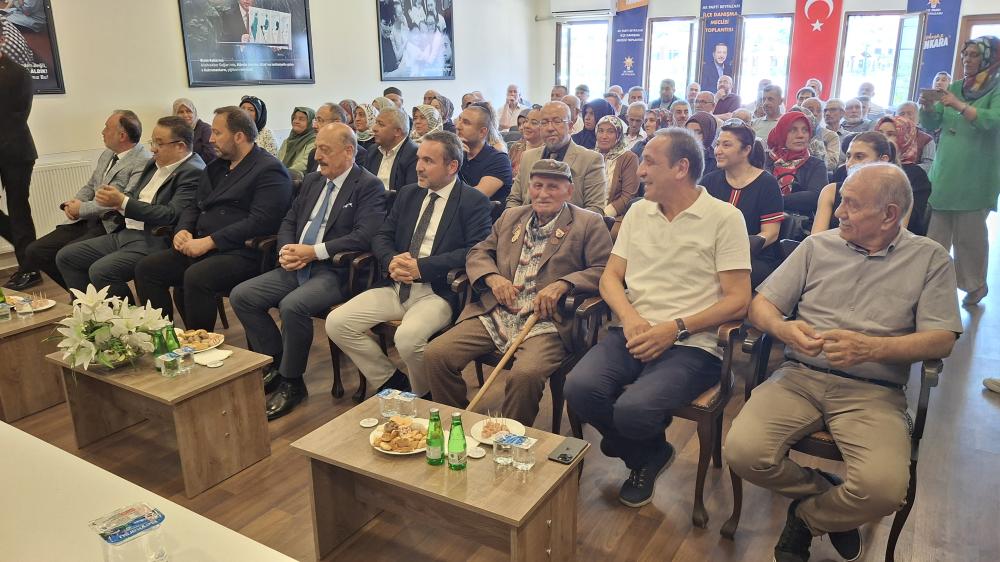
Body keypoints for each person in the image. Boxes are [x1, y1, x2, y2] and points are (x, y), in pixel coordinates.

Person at [725, 163, 961, 562]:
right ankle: (828, 495)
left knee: (884, 490)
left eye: (851, 204)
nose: (839, 212)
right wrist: (783, 329)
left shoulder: (929, 258)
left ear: (889, 214)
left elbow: (942, 339)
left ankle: (807, 518)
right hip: (799, 377)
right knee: (743, 452)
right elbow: (761, 305)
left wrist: (871, 349)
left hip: (873, 391)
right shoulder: (818, 247)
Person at [565, 128, 751, 508]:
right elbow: (610, 277)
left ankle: (634, 445)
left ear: (681, 168)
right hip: (633, 329)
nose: (640, 171)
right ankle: (647, 453)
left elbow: (738, 300)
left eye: (649, 162)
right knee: (579, 387)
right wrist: (630, 316)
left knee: (633, 409)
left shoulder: (724, 217)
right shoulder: (638, 211)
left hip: (693, 342)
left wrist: (675, 328)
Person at [424, 159, 611, 425]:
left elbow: (604, 269)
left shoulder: (588, 223)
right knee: (436, 355)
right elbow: (478, 252)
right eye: (537, 186)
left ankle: (511, 437)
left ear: (569, 191)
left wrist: (564, 284)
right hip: (497, 312)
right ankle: (457, 427)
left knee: (525, 375)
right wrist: (493, 278)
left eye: (552, 187)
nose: (543, 193)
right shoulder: (511, 217)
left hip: (548, 321)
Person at [231, 123, 387, 420]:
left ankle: (292, 382)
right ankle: (278, 364)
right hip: (297, 263)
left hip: (336, 270)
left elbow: (364, 236)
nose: (317, 156)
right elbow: (289, 220)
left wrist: (314, 252)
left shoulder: (368, 185)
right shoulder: (313, 180)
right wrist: (287, 250)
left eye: (325, 150)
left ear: (349, 151)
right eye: (317, 148)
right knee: (243, 296)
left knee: (293, 306)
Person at [325, 131, 492, 397]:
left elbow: (474, 251)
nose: (418, 167)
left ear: (452, 166)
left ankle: (425, 396)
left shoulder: (473, 201)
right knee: (336, 323)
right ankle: (393, 382)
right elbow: (382, 235)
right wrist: (391, 259)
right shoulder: (408, 193)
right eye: (418, 159)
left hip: (437, 291)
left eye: (428, 161)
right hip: (396, 284)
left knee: (407, 339)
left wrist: (422, 267)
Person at [134, 106, 292, 330]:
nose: (210, 138)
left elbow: (261, 221)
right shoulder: (216, 166)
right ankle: (162, 336)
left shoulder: (269, 170)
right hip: (202, 245)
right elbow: (194, 205)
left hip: (243, 252)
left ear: (239, 136)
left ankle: (199, 342)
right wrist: (183, 229)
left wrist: (210, 242)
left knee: (196, 277)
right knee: (147, 269)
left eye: (217, 133)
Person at [56, 117, 206, 302]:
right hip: (127, 233)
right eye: (152, 142)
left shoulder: (193, 171)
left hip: (154, 239)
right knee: (66, 257)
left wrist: (123, 202)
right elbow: (133, 194)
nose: (153, 149)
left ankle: (128, 318)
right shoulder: (153, 164)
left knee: (101, 271)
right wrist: (115, 200)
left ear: (180, 146)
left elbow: (170, 214)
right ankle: (91, 313)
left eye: (159, 143)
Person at [13, 111, 151, 291]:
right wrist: (74, 203)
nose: (102, 132)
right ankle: (81, 294)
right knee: (36, 250)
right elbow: (91, 185)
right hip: (88, 219)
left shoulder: (143, 161)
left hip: (111, 223)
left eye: (107, 128)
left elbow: (123, 200)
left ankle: (90, 298)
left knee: (66, 254)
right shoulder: (108, 154)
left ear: (122, 135)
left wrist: (81, 209)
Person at [919, 36, 1000, 306]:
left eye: (974, 55)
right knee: (936, 236)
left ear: (988, 58)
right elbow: (932, 123)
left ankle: (975, 285)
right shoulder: (956, 87)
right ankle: (932, 283)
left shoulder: (996, 88)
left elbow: (993, 121)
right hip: (946, 172)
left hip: (976, 174)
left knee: (969, 238)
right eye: (965, 55)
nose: (967, 60)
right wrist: (927, 107)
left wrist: (961, 106)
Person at [703, 120, 783, 287]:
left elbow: (770, 233)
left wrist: (734, 250)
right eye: (717, 144)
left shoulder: (766, 183)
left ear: (746, 150)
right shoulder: (709, 181)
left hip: (753, 257)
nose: (718, 151)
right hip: (712, 254)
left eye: (726, 145)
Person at [507, 101, 607, 215]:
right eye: (544, 122)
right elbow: (514, 200)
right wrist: (516, 222)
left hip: (570, 224)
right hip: (527, 222)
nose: (550, 128)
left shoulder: (590, 160)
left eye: (557, 121)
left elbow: (595, 209)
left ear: (570, 126)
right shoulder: (528, 157)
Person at [0, 37, 37, 289]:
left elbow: (16, 118)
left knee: (18, 211)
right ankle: (35, 254)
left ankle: (30, 268)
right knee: (16, 217)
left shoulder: (18, 74)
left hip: (15, 152)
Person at [812, 131, 895, 234]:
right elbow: (816, 239)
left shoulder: (897, 195)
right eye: (848, 156)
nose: (849, 163)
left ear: (882, 160)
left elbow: (896, 239)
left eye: (859, 157)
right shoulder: (830, 191)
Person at [874, 116, 931, 234]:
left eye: (891, 134)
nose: (883, 138)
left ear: (905, 138)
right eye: (879, 133)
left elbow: (911, 220)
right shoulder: (864, 168)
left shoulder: (916, 175)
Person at [765, 111, 829, 216]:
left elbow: (815, 197)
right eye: (792, 130)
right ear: (781, 132)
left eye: (805, 130)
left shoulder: (816, 165)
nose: (800, 135)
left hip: (798, 223)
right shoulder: (765, 160)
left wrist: (772, 202)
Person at [456, 104, 513, 203]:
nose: (458, 126)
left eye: (466, 123)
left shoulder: (499, 160)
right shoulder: (457, 153)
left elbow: (475, 198)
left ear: (482, 132)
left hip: (484, 212)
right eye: (459, 120)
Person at [363, 106, 419, 190]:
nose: (374, 128)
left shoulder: (414, 154)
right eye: (376, 123)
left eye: (381, 124)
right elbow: (363, 185)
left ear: (397, 131)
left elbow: (410, 193)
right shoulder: (373, 150)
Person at [595, 116, 639, 219]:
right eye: (600, 131)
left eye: (610, 132)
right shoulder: (591, 155)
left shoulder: (629, 158)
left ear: (618, 135)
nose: (604, 136)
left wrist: (602, 216)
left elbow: (628, 196)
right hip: (589, 213)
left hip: (613, 217)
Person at [305, 104, 368, 175]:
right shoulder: (314, 153)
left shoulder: (359, 154)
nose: (314, 126)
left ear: (337, 123)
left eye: (320, 120)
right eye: (315, 120)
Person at [801, 97, 843, 172]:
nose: (815, 114)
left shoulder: (831, 135)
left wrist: (816, 139)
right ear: (801, 112)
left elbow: (832, 164)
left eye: (819, 111)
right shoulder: (792, 133)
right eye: (810, 110)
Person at [895, 101, 936, 173]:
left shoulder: (927, 140)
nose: (905, 117)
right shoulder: (890, 135)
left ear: (918, 118)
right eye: (902, 113)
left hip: (914, 176)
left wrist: (903, 170)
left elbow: (928, 165)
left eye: (909, 114)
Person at [276, 106, 316, 180]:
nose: (296, 121)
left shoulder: (314, 141)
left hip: (302, 179)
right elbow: (278, 160)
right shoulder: (288, 141)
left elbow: (304, 164)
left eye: (301, 119)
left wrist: (283, 172)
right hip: (283, 176)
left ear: (311, 122)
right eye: (294, 118)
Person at [172, 98, 215, 165]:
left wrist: (187, 164)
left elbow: (210, 155)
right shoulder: (175, 131)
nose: (185, 115)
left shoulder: (205, 129)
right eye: (181, 112)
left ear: (194, 112)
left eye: (189, 111)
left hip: (201, 168)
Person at [508, 107, 543, 177]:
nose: (526, 126)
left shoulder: (548, 151)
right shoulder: (516, 146)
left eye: (534, 123)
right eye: (526, 121)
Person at [685, 111, 719, 177]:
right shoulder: (677, 155)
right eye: (688, 132)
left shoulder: (716, 161)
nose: (692, 136)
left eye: (698, 132)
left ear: (709, 133)